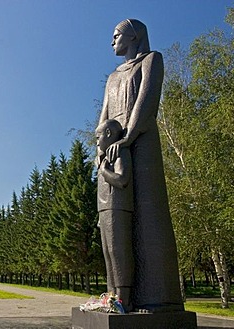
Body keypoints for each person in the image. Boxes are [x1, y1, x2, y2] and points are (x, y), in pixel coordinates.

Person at [98, 19, 183, 311]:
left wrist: (129, 137)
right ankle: (118, 297)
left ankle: (157, 297)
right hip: (115, 146)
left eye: (117, 35)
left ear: (134, 36)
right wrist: (101, 149)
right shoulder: (112, 77)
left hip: (141, 141)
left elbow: (147, 101)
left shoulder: (151, 60)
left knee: (148, 215)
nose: (112, 41)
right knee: (116, 224)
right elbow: (105, 115)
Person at [96, 119, 134, 312]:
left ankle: (123, 299)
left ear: (109, 134)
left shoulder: (119, 152)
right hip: (104, 210)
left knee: (118, 253)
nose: (97, 142)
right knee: (108, 254)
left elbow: (122, 180)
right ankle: (111, 297)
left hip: (117, 207)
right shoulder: (103, 157)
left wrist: (104, 171)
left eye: (98, 137)